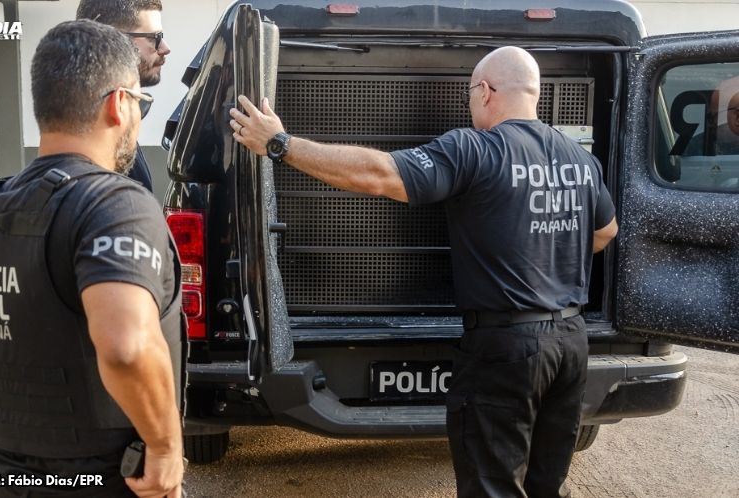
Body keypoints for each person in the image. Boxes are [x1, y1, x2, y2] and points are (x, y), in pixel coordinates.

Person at [229, 46, 618, 497]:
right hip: (570, 344)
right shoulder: (579, 159)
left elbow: (379, 175)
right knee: (549, 484)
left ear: (486, 91)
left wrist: (280, 143)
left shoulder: (475, 149)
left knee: (492, 485)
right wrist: (548, 246)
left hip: (508, 350)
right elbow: (605, 231)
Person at [0, 20, 184, 498]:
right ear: (118, 104)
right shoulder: (114, 205)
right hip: (107, 482)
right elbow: (126, 346)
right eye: (140, 102)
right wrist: (164, 448)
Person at [76, 0, 172, 193]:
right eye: (155, 37)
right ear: (113, 40)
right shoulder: (94, 151)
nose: (165, 47)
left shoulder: (118, 137)